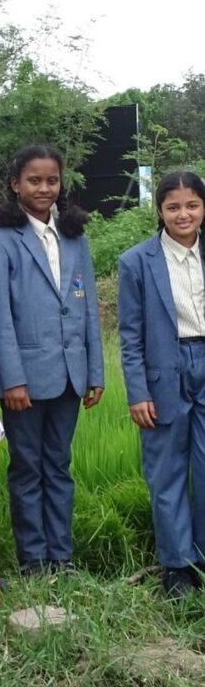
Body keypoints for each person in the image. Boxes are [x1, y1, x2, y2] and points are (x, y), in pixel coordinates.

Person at [0, 145, 104, 577]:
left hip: (71, 373)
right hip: (26, 382)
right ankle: (33, 557)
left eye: (52, 180)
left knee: (59, 465)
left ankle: (62, 556)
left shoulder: (75, 236)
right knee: (27, 466)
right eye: (34, 180)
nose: (44, 188)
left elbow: (87, 305)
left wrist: (94, 372)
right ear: (15, 184)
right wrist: (11, 380)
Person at [118, 171, 205, 599]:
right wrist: (138, 392)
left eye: (191, 205)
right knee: (167, 471)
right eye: (173, 207)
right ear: (160, 211)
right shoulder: (137, 261)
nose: (183, 214)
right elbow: (130, 335)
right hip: (165, 371)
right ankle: (177, 567)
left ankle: (203, 557)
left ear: (203, 208)